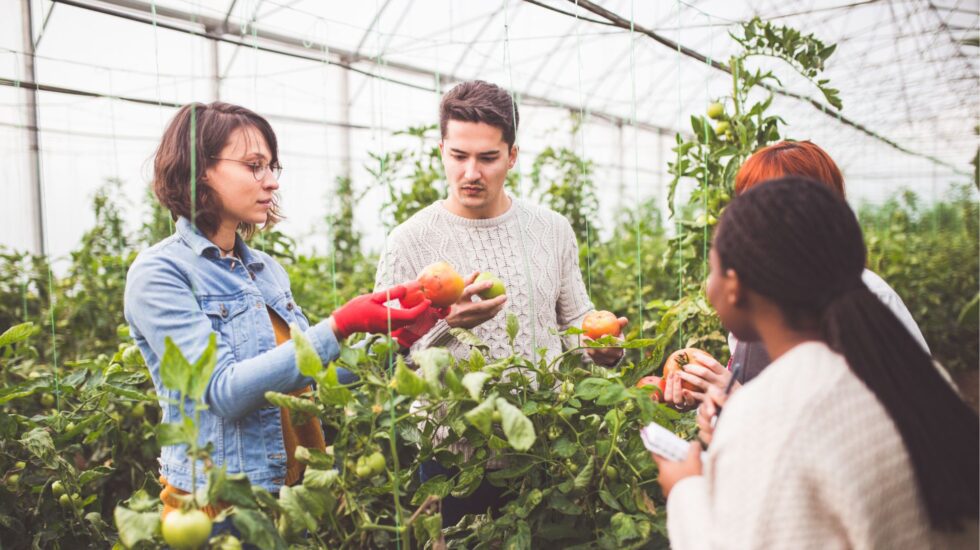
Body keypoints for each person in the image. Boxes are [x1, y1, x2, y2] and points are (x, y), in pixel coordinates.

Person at [124, 102, 432, 529]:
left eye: (273, 167)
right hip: (219, 508)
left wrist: (396, 340)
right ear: (200, 171)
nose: (271, 182)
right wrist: (339, 324)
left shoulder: (265, 270)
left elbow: (313, 379)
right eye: (254, 166)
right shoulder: (160, 274)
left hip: (294, 495)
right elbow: (222, 392)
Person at [652, 177, 979, 549]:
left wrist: (684, 488)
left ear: (733, 286)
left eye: (712, 269)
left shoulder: (770, 410)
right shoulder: (917, 376)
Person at [374, 80, 627, 525]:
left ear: (511, 155)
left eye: (488, 158)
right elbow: (388, 360)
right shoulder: (409, 242)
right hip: (451, 460)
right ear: (441, 151)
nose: (472, 172)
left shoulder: (550, 229)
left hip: (543, 448)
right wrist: (450, 325)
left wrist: (601, 346)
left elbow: (575, 318)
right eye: (459, 156)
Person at [662, 140, 930, 411]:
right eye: (745, 199)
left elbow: (892, 421)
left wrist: (741, 403)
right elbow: (754, 387)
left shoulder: (870, 296)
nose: (747, 215)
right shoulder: (756, 296)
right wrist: (712, 399)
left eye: (769, 200)